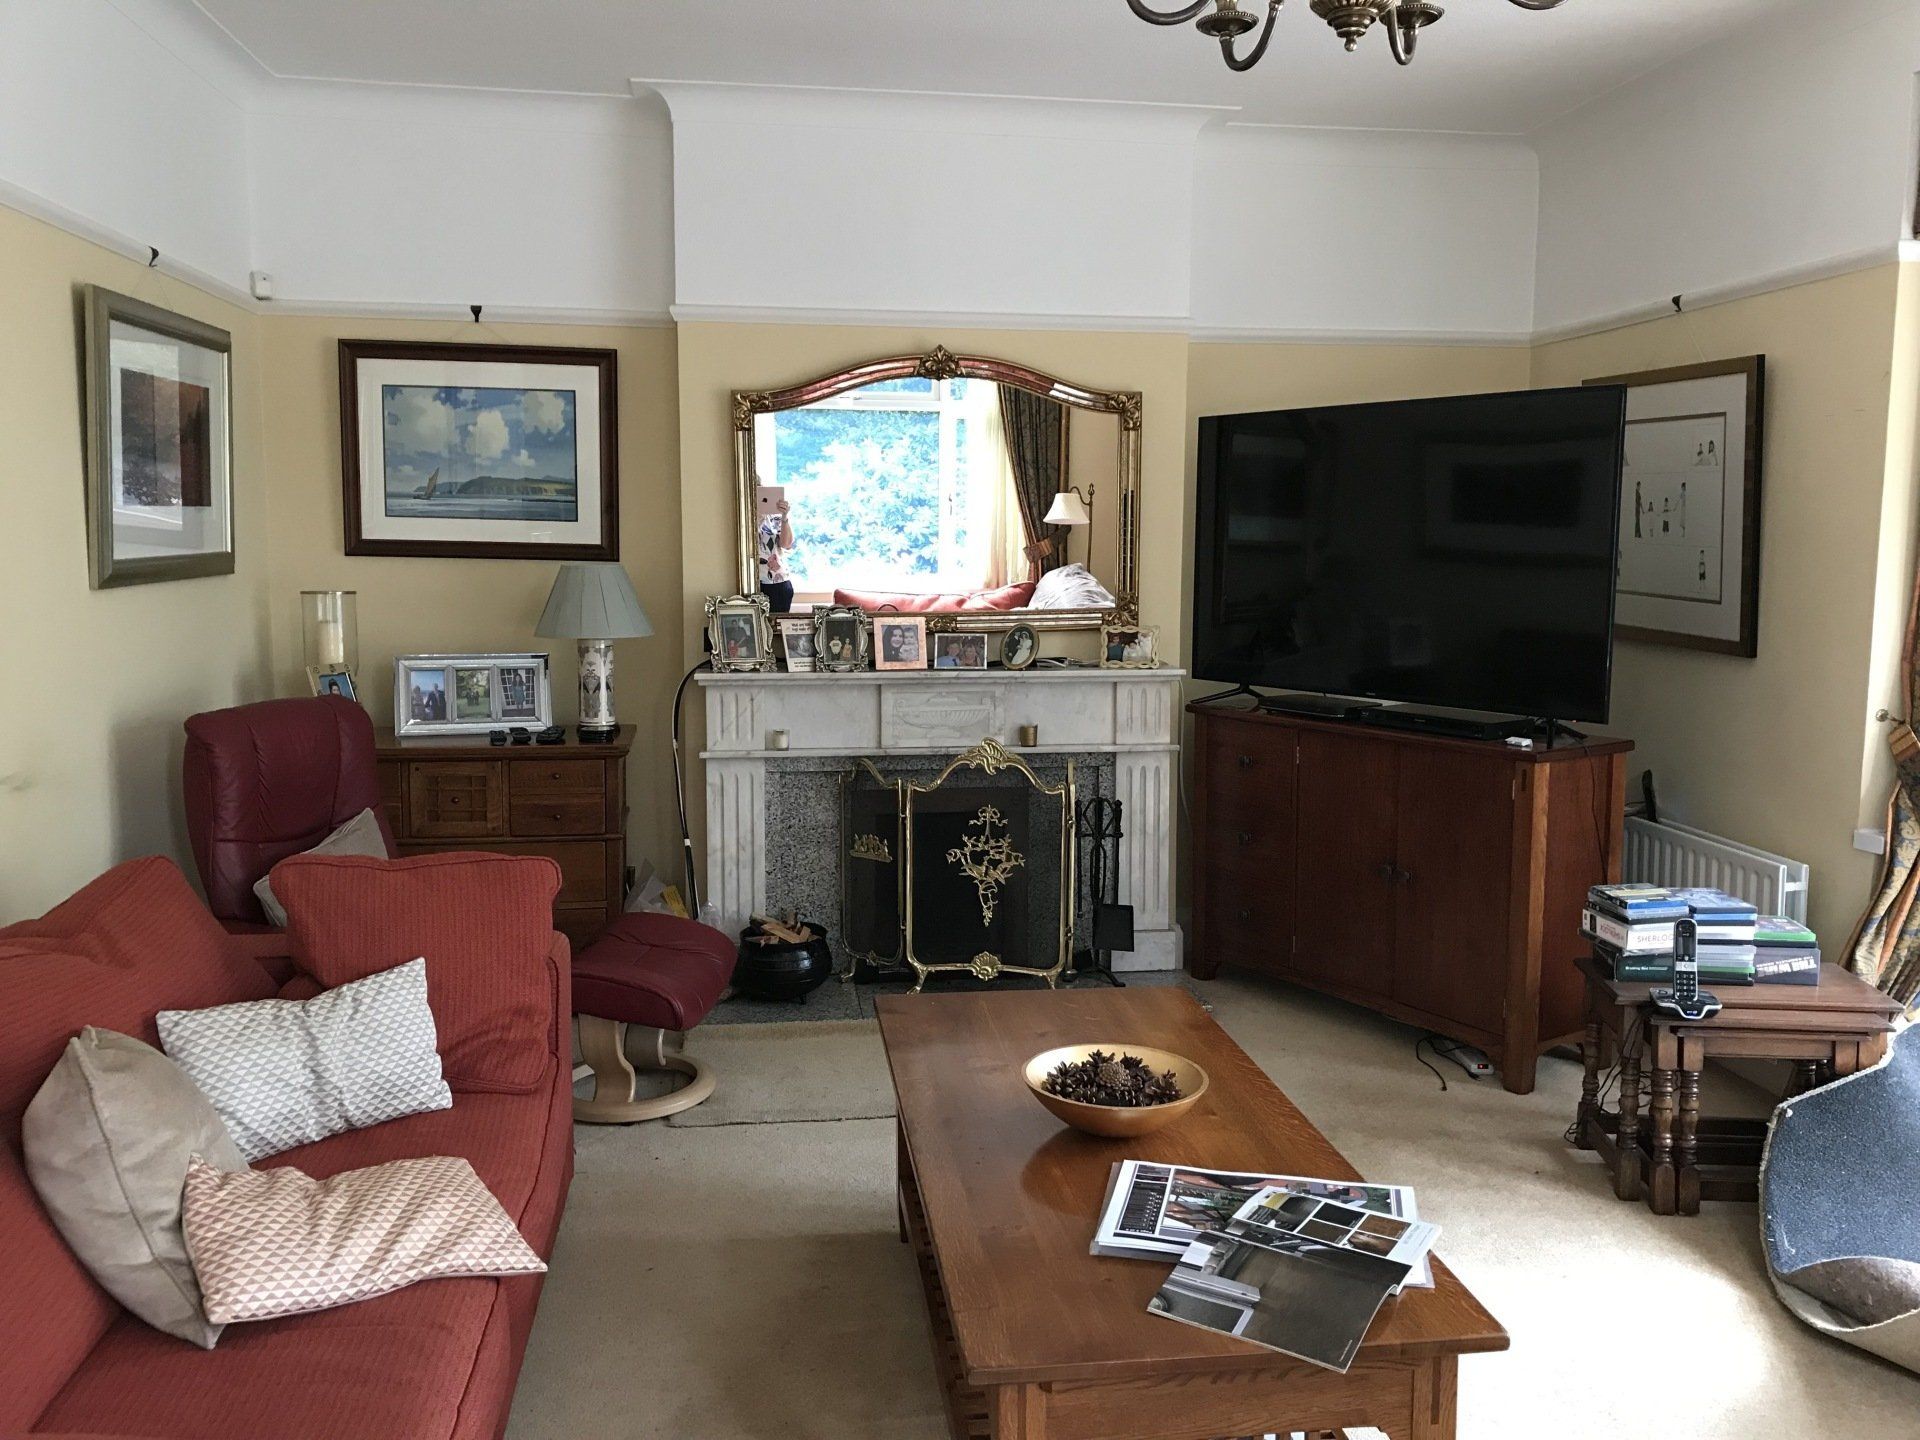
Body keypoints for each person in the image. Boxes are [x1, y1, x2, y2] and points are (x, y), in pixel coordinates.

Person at [758, 496, 795, 613]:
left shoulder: (774, 516)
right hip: (746, 581)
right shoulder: (740, 515)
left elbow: (786, 543)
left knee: (776, 627)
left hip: (776, 582)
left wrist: (784, 516)